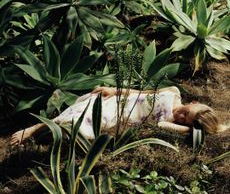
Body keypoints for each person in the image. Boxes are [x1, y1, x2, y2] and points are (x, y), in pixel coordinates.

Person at [10, 86, 226, 145]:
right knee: (76, 119)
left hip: (118, 120)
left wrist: (190, 128)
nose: (180, 116)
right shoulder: (173, 92)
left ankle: (48, 134)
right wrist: (114, 89)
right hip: (114, 103)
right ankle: (31, 130)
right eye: (186, 113)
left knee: (83, 134)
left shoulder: (167, 120)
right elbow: (140, 93)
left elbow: (162, 126)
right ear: (193, 102)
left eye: (184, 121)